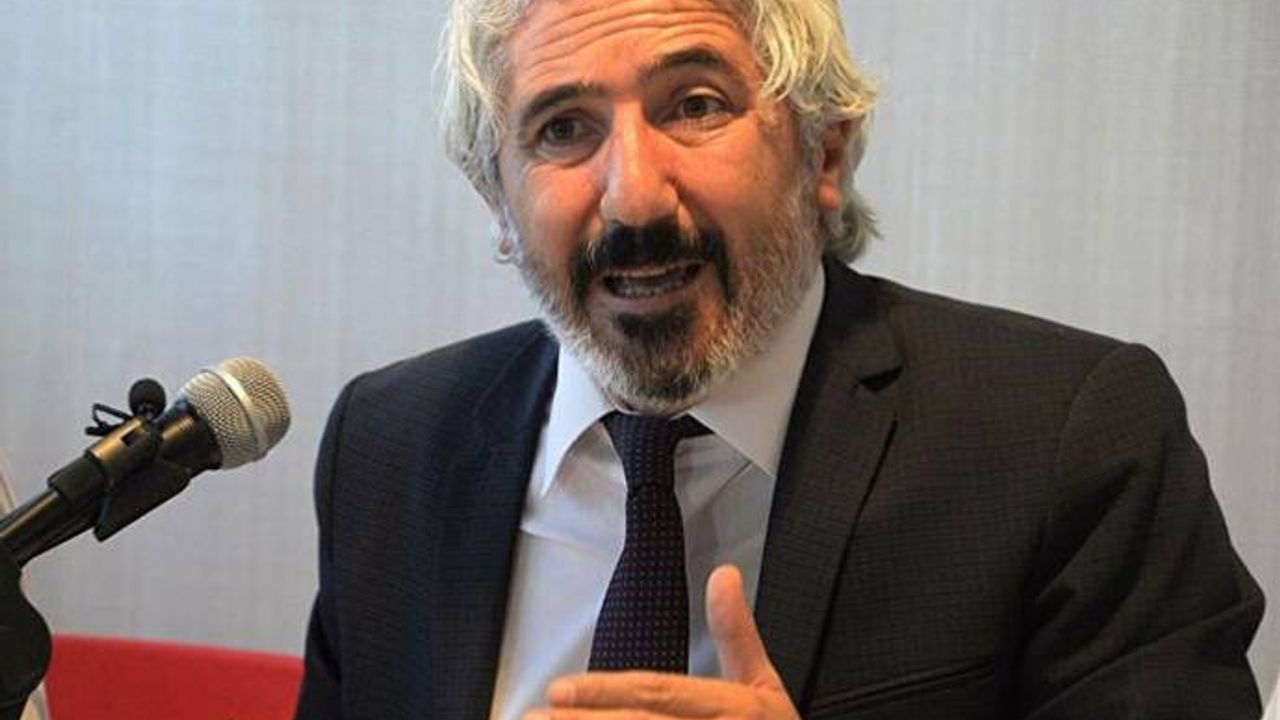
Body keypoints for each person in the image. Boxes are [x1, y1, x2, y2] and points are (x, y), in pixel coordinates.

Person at [294, 0, 1264, 718]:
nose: (634, 197)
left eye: (694, 105)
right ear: (498, 202)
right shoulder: (389, 446)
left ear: (823, 154)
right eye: (562, 129)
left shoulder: (1063, 440)